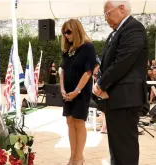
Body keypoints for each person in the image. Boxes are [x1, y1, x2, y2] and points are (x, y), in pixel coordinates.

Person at [93, 1, 148, 165]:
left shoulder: (134, 28)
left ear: (122, 9)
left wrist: (100, 84)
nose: (105, 18)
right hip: (115, 99)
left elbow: (122, 62)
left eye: (107, 13)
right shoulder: (117, 32)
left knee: (125, 149)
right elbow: (107, 63)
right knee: (116, 149)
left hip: (125, 99)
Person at [60, 19, 96, 165]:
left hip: (81, 91)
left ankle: (79, 158)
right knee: (69, 121)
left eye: (68, 31)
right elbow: (62, 70)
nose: (66, 35)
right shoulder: (67, 50)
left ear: (77, 30)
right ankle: (72, 156)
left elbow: (88, 72)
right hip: (67, 91)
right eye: (64, 32)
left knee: (79, 122)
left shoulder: (88, 47)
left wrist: (77, 91)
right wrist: (62, 88)